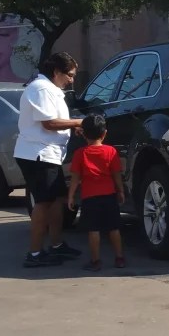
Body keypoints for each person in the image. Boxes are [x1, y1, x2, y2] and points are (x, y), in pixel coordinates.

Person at [16, 52, 85, 268]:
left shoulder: (52, 89)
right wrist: (78, 123)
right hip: (38, 155)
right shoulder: (40, 88)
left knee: (56, 200)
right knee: (44, 202)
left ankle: (56, 245)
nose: (72, 79)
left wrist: (72, 127)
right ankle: (35, 253)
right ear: (56, 72)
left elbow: (55, 123)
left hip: (50, 154)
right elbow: (49, 123)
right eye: (70, 75)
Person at [67, 114, 127, 271]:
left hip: (89, 197)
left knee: (93, 230)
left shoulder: (80, 154)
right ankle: (119, 258)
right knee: (114, 228)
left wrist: (71, 195)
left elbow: (75, 178)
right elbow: (116, 174)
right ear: (104, 133)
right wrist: (120, 190)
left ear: (83, 134)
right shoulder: (111, 151)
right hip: (109, 195)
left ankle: (96, 261)